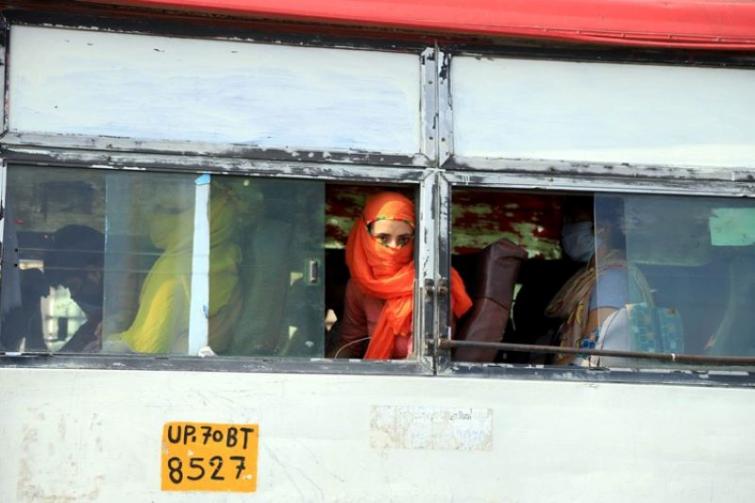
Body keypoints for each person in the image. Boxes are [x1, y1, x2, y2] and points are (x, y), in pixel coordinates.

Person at [336, 192, 473, 359]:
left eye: (404, 240)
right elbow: (351, 342)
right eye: (383, 238)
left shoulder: (431, 283)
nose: (394, 248)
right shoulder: (359, 285)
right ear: (365, 236)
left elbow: (420, 361)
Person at [545, 197, 653, 366]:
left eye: (575, 220)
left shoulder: (612, 279)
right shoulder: (593, 274)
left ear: (603, 229)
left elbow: (593, 355)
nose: (567, 230)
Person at [44, 225, 105, 352]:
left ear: (94, 273)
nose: (73, 297)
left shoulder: (121, 324)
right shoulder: (93, 329)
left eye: (73, 286)